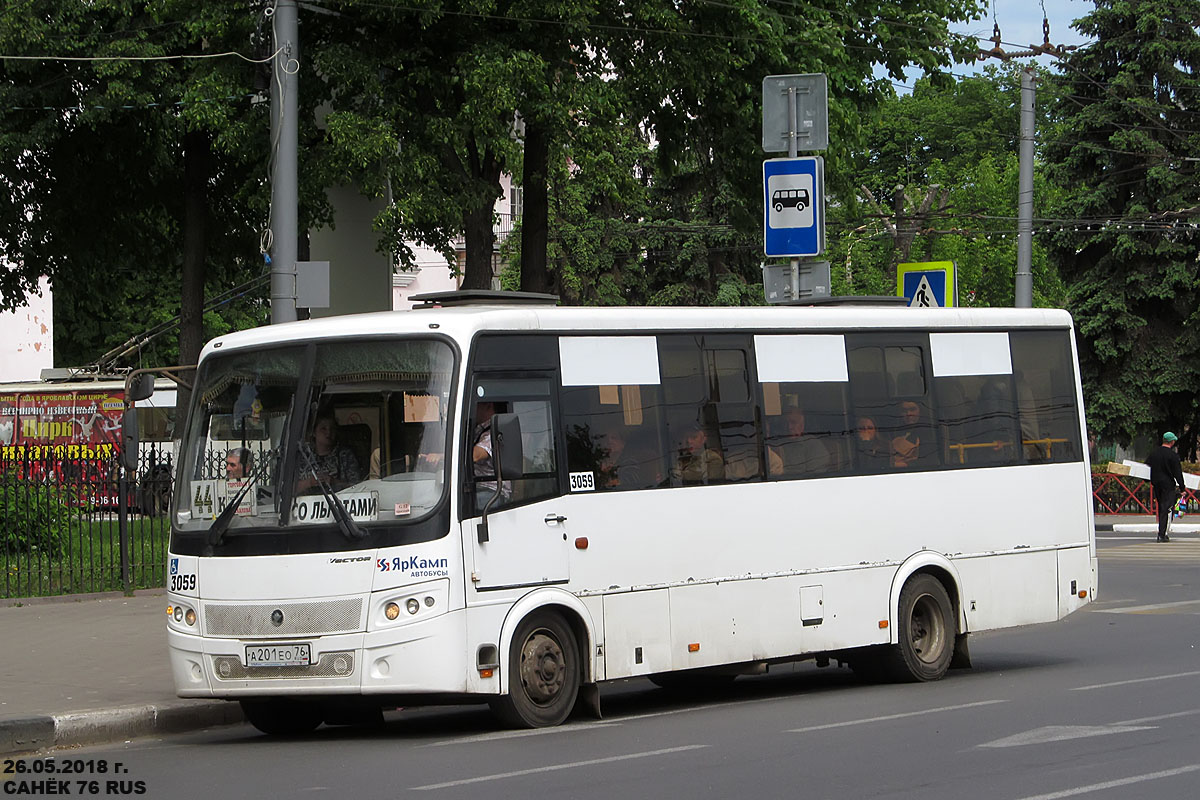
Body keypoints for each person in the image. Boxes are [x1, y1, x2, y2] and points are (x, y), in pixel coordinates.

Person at [296, 414, 362, 494]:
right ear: (313, 432)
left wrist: (334, 482)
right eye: (323, 429)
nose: (329, 433)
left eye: (332, 429)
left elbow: (359, 488)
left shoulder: (346, 456)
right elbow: (286, 490)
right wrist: (309, 482)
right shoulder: (302, 456)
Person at [1145, 431, 1186, 542]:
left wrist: (1147, 479)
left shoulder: (1154, 453)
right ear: (1172, 442)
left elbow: (1146, 467)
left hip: (1157, 484)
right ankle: (1162, 534)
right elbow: (1178, 473)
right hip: (1168, 485)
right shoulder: (1172, 455)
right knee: (1166, 509)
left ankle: (1162, 533)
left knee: (1161, 508)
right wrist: (1182, 488)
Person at [768, 408, 832, 476]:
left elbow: (815, 476)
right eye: (785, 423)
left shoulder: (813, 445)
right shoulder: (775, 443)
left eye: (793, 422)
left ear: (802, 425)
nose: (789, 427)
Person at [891, 400, 928, 468]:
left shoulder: (930, 434)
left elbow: (930, 460)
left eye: (912, 409)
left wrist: (907, 465)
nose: (908, 413)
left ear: (920, 411)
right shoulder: (890, 433)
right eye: (904, 411)